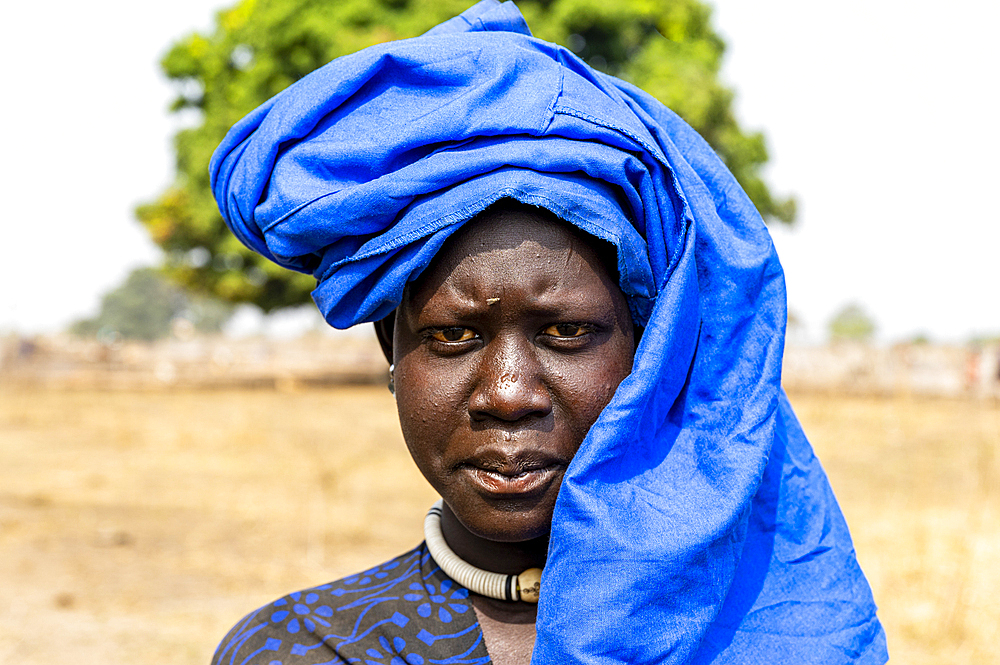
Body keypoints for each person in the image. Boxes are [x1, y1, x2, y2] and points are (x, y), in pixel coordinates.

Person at [208, 2, 887, 663]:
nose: (507, 394)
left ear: (654, 354)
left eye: (565, 331)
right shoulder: (304, 649)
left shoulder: (782, 626)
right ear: (392, 349)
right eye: (453, 336)